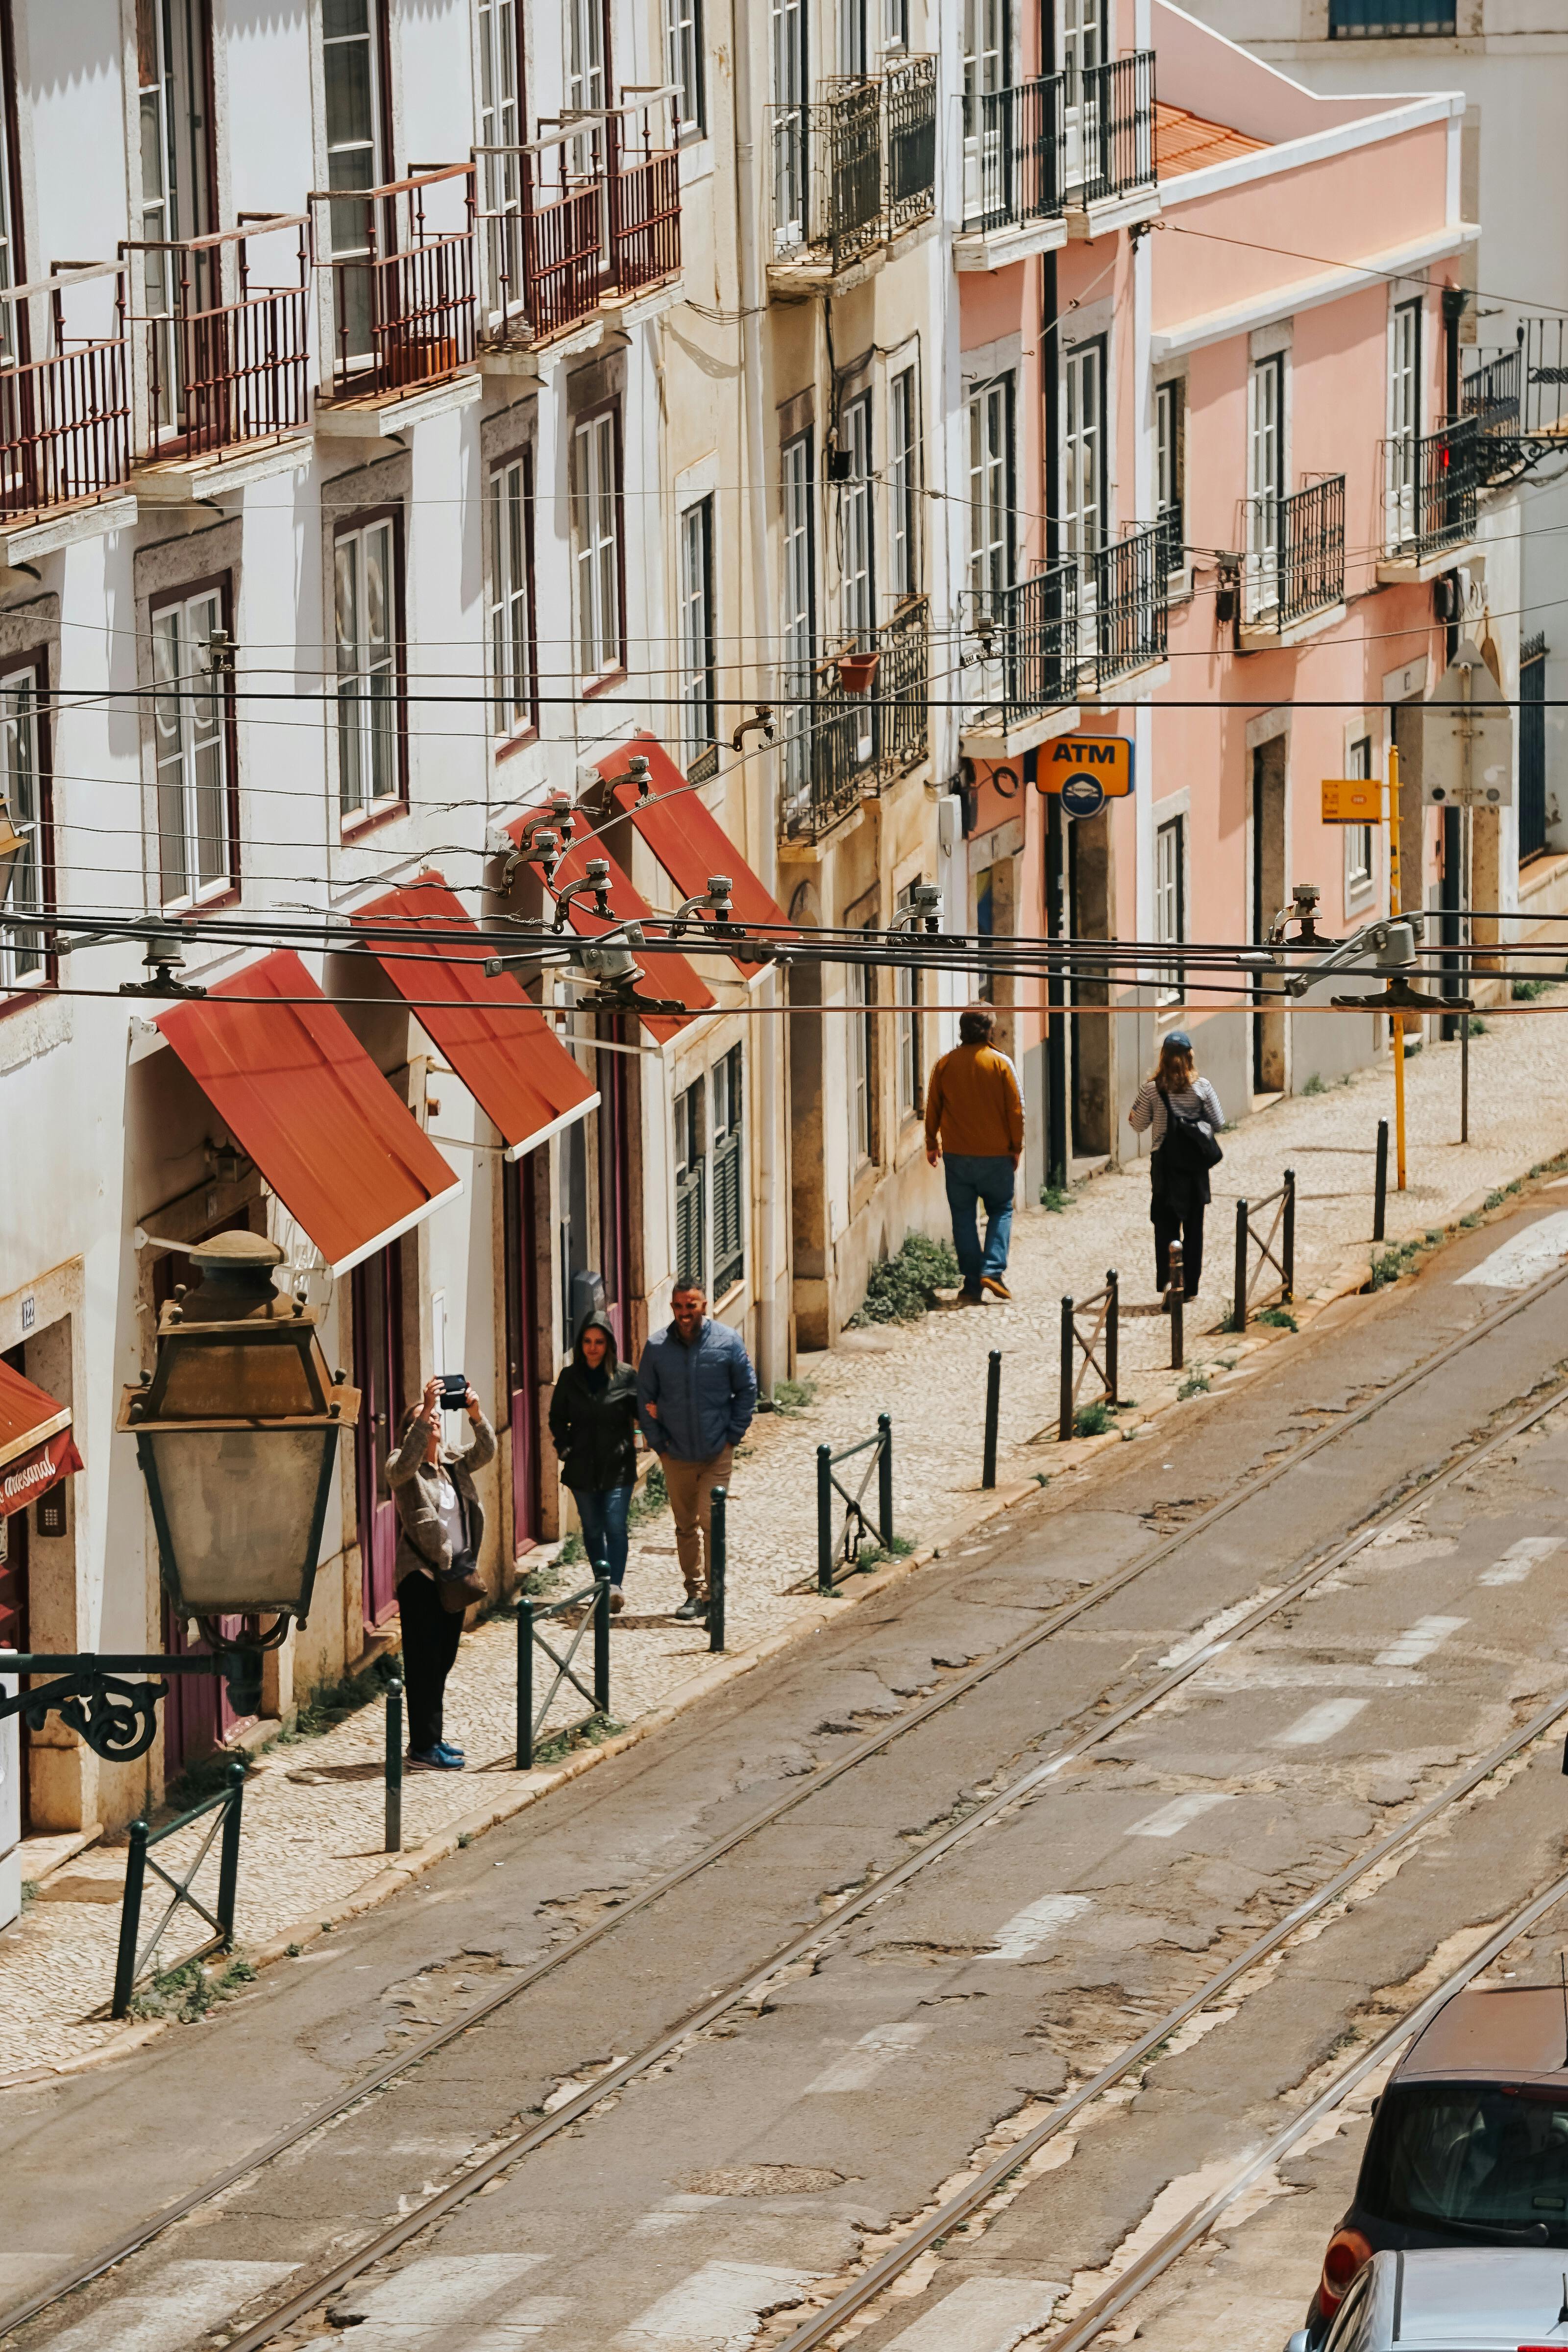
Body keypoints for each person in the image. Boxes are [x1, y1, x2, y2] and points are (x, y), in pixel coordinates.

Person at [387, 1375, 495, 1767]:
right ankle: (421, 1749)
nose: (433, 1421)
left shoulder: (452, 1463)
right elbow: (400, 1469)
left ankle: (432, 1737)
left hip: (455, 1574)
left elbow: (487, 1450)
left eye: (434, 1417)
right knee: (422, 1660)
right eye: (424, 1418)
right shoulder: (403, 1469)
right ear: (412, 1431)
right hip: (420, 1577)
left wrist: (475, 1412)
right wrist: (424, 1409)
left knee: (444, 1657)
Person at [637, 1277, 757, 1621]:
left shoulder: (728, 1342)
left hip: (717, 1451)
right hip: (676, 1454)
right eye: (679, 1306)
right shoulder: (657, 1348)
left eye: (692, 1305)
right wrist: (659, 1445)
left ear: (704, 1305)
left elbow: (747, 1390)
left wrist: (733, 1436)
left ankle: (713, 1591)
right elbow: (644, 1398)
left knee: (711, 1520)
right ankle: (694, 1591)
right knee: (685, 1525)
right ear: (672, 1308)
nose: (685, 1313)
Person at [924, 1005, 1026, 1303]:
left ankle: (971, 1285)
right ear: (990, 1030)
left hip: (957, 1156)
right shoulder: (1001, 1064)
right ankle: (992, 1271)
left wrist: (932, 1142)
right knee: (1001, 1209)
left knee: (963, 1219)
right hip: (996, 1156)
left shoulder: (945, 1065)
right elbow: (1017, 1111)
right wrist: (1016, 1148)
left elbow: (933, 1106)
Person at [548, 1312, 640, 1614]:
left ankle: (615, 1587)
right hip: (582, 1466)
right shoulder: (569, 1378)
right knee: (591, 1528)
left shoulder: (626, 1376)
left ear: (609, 1344)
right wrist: (564, 1448)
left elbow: (643, 1411)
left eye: (599, 1342)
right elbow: (557, 1418)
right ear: (580, 1344)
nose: (593, 1347)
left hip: (618, 1466)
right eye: (587, 1341)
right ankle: (601, 1582)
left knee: (614, 1524)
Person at [1128, 1030, 1225, 1306]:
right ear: (1190, 1057)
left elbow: (1138, 1125)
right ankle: (1191, 1285)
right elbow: (1219, 1122)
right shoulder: (1202, 1088)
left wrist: (1135, 1115)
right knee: (1195, 1227)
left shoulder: (1151, 1089)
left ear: (1163, 1057)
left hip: (1165, 1167)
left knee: (1165, 1226)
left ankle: (1171, 1282)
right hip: (1195, 1168)